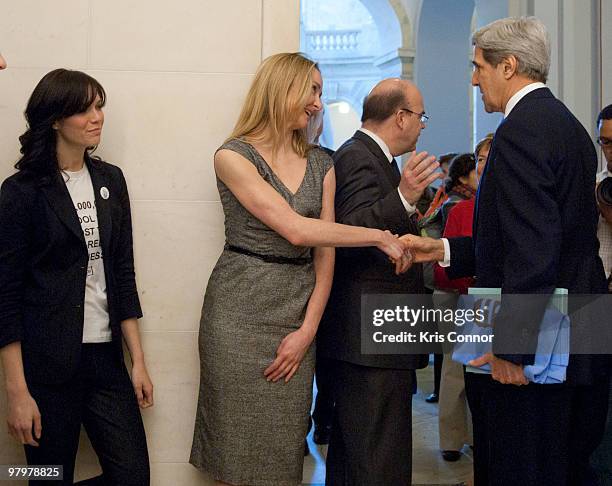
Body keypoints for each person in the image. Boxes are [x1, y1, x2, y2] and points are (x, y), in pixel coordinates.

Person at [401, 16, 610, 486]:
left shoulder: (521, 131)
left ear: (509, 66)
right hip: (578, 321)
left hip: (543, 341)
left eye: (479, 67)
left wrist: (512, 350)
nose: (474, 79)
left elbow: (534, 250)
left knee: (521, 464)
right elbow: (529, 236)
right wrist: (442, 249)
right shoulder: (566, 123)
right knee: (563, 463)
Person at [189, 53, 411, 486]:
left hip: (297, 311)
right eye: (311, 90)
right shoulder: (232, 156)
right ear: (282, 89)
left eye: (320, 92)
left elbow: (323, 249)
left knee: (286, 448)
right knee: (233, 452)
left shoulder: (322, 163)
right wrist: (378, 235)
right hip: (238, 312)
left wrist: (308, 330)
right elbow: (295, 229)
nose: (317, 102)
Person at [0, 69, 152, 485]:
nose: (96, 116)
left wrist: (136, 360)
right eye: (83, 109)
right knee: (49, 477)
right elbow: (5, 296)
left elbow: (122, 271)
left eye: (99, 105)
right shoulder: (22, 191)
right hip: (46, 365)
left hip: (105, 358)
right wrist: (16, 392)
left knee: (132, 476)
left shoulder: (110, 181)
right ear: (54, 119)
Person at [318, 78, 440, 486]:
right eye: (420, 116)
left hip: (382, 333)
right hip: (368, 335)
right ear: (400, 117)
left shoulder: (379, 158)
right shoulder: (357, 156)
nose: (423, 125)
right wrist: (403, 197)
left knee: (367, 454)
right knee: (374, 457)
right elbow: (350, 233)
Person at [433, 134, 492, 462]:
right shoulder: (460, 209)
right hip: (462, 299)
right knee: (456, 372)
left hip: (494, 301)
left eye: (489, 158)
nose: (483, 166)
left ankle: (477, 436)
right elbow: (445, 265)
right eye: (479, 159)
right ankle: (452, 440)